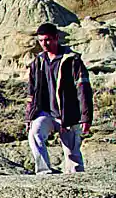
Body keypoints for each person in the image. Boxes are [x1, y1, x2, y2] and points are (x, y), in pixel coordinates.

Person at [25, 22, 93, 174]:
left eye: (48, 40)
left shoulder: (72, 60)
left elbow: (83, 90)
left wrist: (86, 118)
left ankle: (78, 184)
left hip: (68, 115)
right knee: (34, 133)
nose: (45, 44)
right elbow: (32, 92)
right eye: (41, 40)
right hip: (46, 113)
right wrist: (29, 117)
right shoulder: (38, 62)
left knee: (73, 157)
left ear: (56, 38)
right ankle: (44, 172)